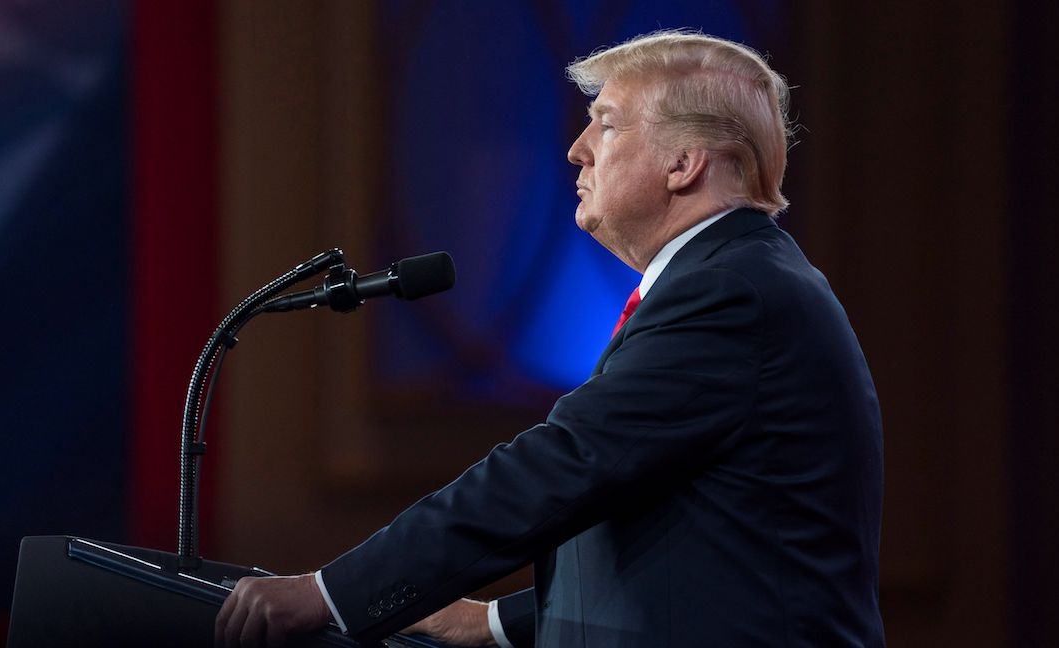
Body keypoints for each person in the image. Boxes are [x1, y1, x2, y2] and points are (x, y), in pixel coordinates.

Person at [216, 29, 885, 648]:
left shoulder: (731, 295)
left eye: (608, 122)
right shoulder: (738, 279)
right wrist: (495, 621)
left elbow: (563, 466)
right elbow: (704, 537)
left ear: (682, 163)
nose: (577, 147)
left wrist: (330, 596)